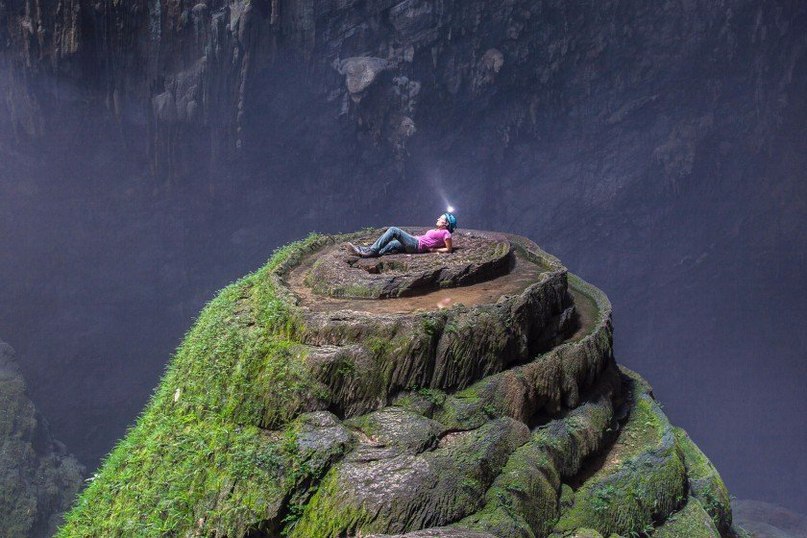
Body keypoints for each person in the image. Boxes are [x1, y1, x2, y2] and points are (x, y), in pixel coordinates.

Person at [348, 213, 457, 257]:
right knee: (391, 245)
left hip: (416, 245)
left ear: (446, 223)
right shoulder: (438, 230)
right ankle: (362, 251)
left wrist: (433, 250)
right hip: (415, 242)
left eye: (441, 218)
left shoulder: (446, 233)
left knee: (394, 230)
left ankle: (370, 251)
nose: (438, 219)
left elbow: (449, 249)